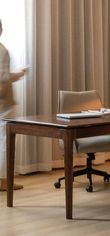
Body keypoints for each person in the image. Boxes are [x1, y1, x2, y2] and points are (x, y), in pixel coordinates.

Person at [0, 19, 26, 191]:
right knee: (5, 141)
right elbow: (3, 77)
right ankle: (3, 181)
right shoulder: (2, 50)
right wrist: (20, 74)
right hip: (3, 103)